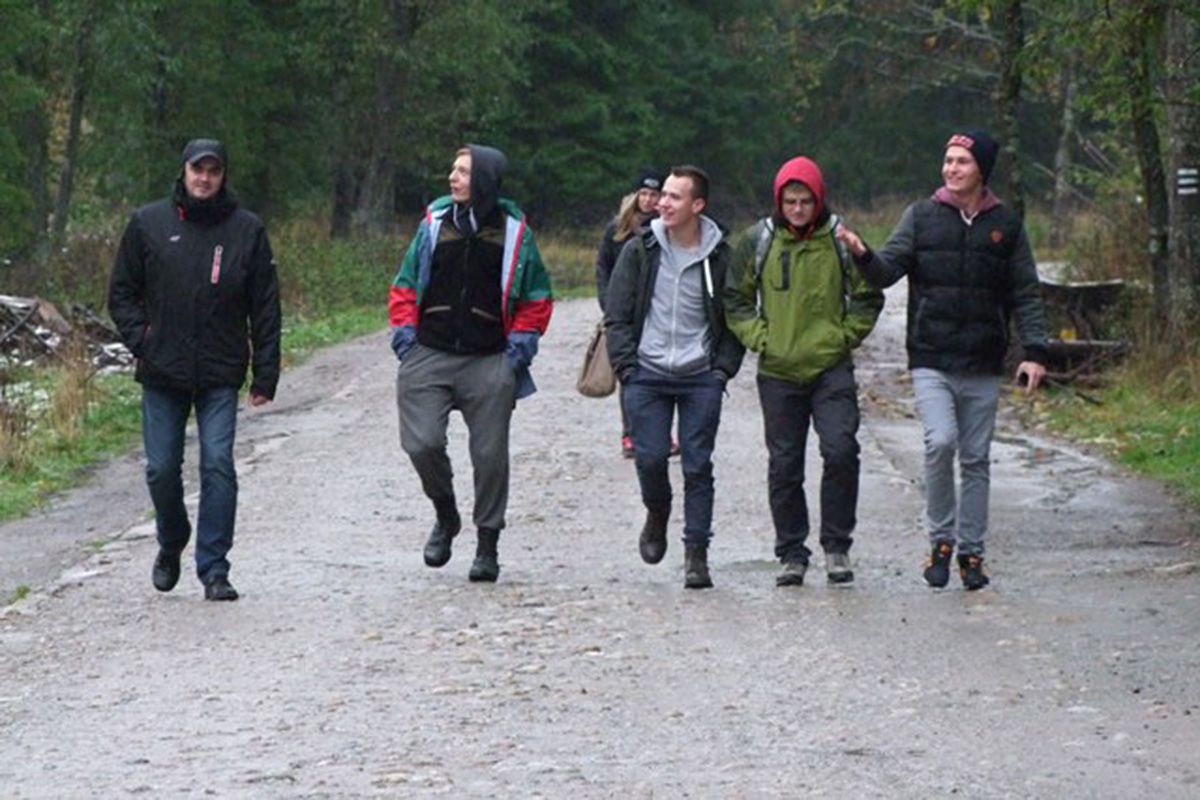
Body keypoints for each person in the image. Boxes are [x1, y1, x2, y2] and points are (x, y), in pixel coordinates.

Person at [836, 129, 1048, 590]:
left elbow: (1025, 292)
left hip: (983, 360)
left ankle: (971, 553)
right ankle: (940, 543)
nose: (951, 168)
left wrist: (1033, 352)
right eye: (948, 160)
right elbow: (887, 271)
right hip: (931, 356)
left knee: (975, 458)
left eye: (961, 162)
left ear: (981, 170)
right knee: (940, 442)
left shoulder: (1005, 225)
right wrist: (862, 254)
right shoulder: (921, 216)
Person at [108, 138, 281, 602]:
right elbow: (121, 292)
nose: (204, 178)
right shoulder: (148, 223)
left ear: (223, 176)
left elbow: (265, 306)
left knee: (218, 463)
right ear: (184, 171)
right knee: (161, 469)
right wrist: (143, 338)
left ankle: (214, 569)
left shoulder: (246, 230)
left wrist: (266, 372)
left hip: (220, 370)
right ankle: (172, 539)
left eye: (213, 171)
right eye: (197, 170)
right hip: (162, 368)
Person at [389, 145, 553, 584]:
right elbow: (405, 283)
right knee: (421, 443)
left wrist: (516, 353)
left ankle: (487, 543)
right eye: (453, 169)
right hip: (429, 352)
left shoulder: (514, 234)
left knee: (489, 456)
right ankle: (446, 513)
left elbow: (537, 297)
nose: (452, 177)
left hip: (490, 358)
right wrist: (405, 339)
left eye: (462, 171)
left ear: (483, 180)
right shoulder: (435, 224)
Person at [725, 155, 883, 588]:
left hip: (831, 367)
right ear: (779, 201)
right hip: (778, 370)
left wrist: (844, 337)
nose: (797, 209)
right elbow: (734, 299)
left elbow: (869, 294)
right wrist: (761, 338)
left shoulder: (841, 239)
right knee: (785, 464)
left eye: (806, 201)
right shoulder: (758, 241)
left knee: (841, 451)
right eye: (790, 201)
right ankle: (792, 552)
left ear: (819, 200)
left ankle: (837, 545)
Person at [605, 165, 745, 589]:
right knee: (649, 459)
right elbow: (617, 314)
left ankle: (696, 554)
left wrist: (722, 370)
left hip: (701, 375)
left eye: (674, 197)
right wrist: (627, 368)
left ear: (697, 205)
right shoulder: (640, 249)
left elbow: (737, 315)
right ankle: (658, 510)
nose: (662, 203)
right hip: (647, 374)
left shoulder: (721, 256)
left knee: (698, 466)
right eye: (663, 195)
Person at [595, 172, 662, 458]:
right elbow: (603, 268)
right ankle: (630, 433)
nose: (647, 200)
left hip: (656, 313)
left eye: (654, 195)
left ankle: (659, 432)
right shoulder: (618, 228)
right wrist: (608, 304)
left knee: (659, 372)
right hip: (624, 314)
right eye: (643, 194)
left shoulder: (666, 228)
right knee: (629, 372)